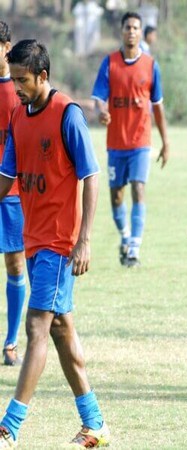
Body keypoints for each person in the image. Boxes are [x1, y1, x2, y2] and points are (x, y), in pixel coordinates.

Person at [0, 39, 109, 448]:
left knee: (37, 326)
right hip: (33, 239)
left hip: (59, 245)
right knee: (61, 332)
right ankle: (95, 423)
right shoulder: (18, 116)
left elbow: (91, 176)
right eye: (13, 81)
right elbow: (7, 177)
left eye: (23, 80)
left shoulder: (68, 115)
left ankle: (9, 427)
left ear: (43, 76)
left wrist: (84, 240)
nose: (17, 88)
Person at [92, 11, 169, 268]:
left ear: (139, 32)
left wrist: (166, 142)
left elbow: (158, 107)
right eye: (128, 27)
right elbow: (98, 99)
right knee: (116, 196)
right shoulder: (110, 63)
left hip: (140, 142)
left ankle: (134, 247)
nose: (132, 32)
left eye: (136, 27)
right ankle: (125, 237)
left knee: (138, 188)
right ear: (122, 31)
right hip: (115, 143)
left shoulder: (150, 65)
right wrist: (102, 112)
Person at [0, 21, 26, 367]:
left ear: (6, 46)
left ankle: (10, 342)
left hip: (14, 193)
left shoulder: (19, 93)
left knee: (15, 262)